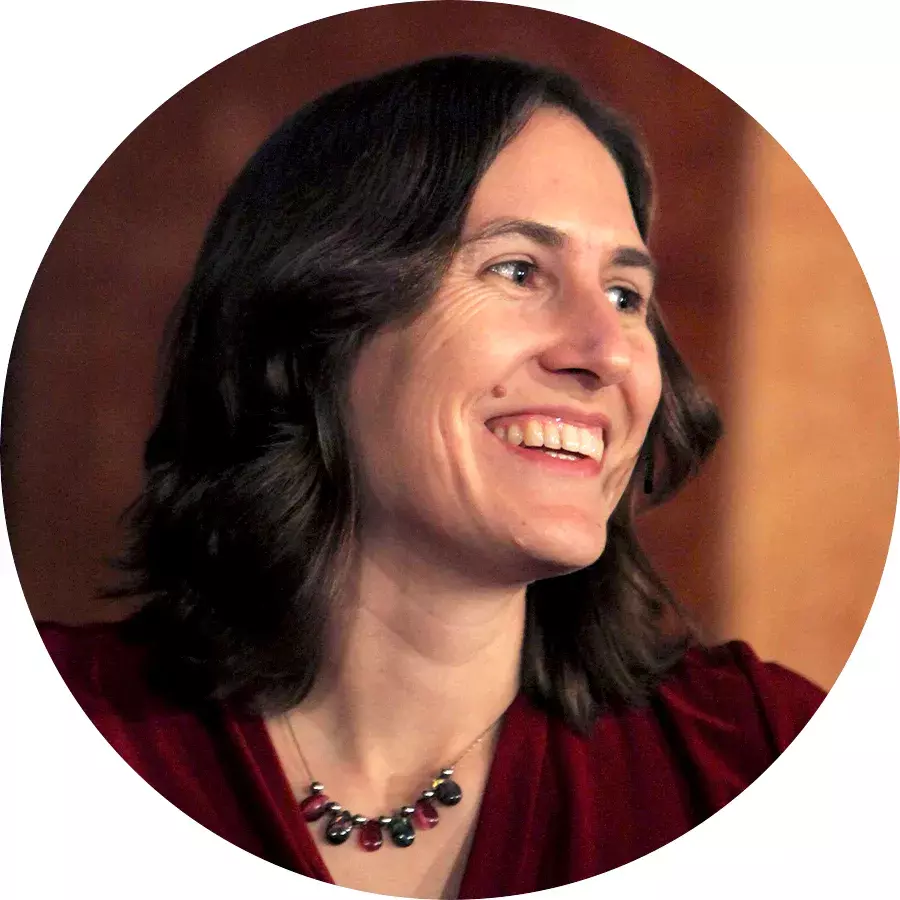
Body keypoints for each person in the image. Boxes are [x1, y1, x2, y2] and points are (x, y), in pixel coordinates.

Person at [38, 56, 825, 899]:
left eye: (627, 295)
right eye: (518, 271)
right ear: (318, 329)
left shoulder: (767, 754)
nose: (607, 354)